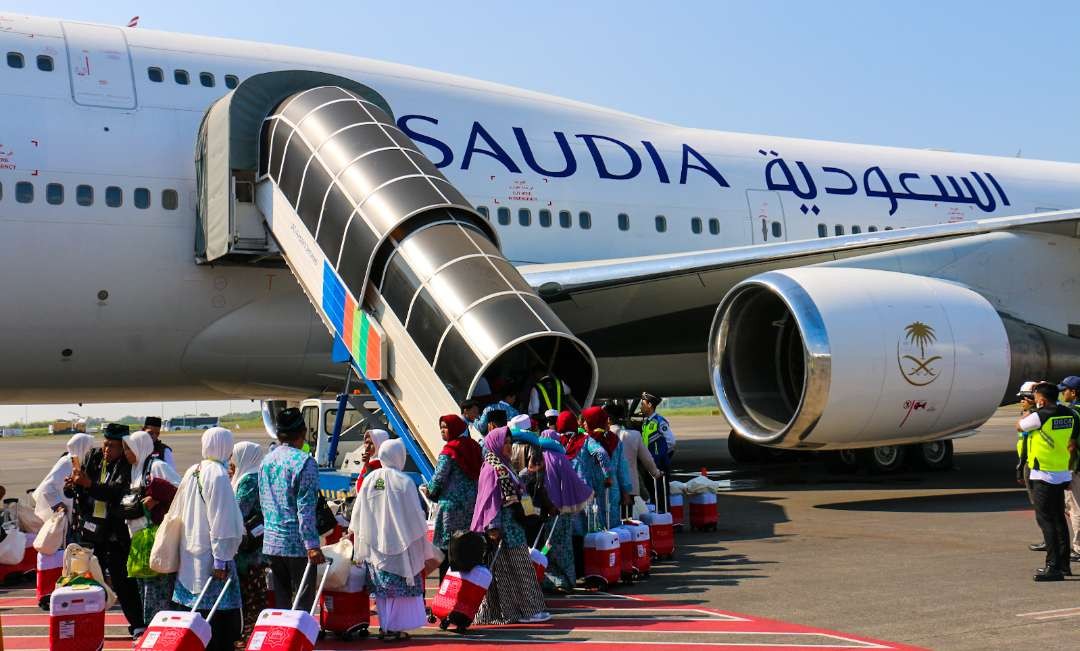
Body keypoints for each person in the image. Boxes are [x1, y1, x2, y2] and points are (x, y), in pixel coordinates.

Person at [351, 439, 437, 642]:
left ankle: (384, 626)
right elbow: (415, 515)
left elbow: (359, 511)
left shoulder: (372, 479)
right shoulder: (404, 481)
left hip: (375, 545)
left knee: (383, 591)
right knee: (398, 592)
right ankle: (394, 628)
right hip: (401, 545)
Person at [66, 423, 143, 637]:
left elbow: (116, 492)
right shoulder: (94, 457)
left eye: (113, 446)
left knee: (122, 581)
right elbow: (83, 484)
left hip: (114, 533)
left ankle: (137, 624)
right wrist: (73, 484)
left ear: (123, 447)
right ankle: (85, 626)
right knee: (85, 580)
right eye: (105, 444)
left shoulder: (127, 464)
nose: (107, 450)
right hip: (90, 530)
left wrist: (88, 484)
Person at [172, 428, 245, 651]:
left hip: (189, 554)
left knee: (193, 620)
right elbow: (222, 520)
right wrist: (221, 559)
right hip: (212, 559)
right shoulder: (218, 474)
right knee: (217, 622)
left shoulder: (193, 470)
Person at [470, 427, 550, 624]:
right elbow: (489, 501)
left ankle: (507, 612)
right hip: (504, 530)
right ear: (495, 444)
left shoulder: (503, 466)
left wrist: (529, 473)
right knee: (517, 571)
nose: (508, 446)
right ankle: (528, 611)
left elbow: (514, 487)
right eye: (505, 442)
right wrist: (494, 527)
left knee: (509, 572)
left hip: (512, 529)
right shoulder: (492, 469)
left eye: (509, 442)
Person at [259, 407, 325, 611]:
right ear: (303, 432)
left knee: (281, 601)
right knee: (303, 601)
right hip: (296, 543)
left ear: (278, 434)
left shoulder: (266, 461)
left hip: (271, 541)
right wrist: (312, 545)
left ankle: (282, 639)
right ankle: (300, 640)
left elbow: (264, 502)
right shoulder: (305, 462)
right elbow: (305, 507)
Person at [1017, 382, 1079, 581]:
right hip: (1061, 471)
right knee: (1059, 519)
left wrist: (1030, 411)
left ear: (1042, 399)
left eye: (1035, 398)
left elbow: (1020, 426)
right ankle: (1063, 565)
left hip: (1043, 474)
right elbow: (1072, 440)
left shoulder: (1040, 415)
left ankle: (1052, 566)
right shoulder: (1071, 414)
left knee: (1046, 520)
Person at [122, 431, 181, 626]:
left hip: (156, 538)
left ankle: (161, 628)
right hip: (139, 539)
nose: (126, 454)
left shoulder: (157, 467)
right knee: (145, 589)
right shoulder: (135, 470)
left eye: (128, 449)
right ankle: (152, 628)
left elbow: (179, 491)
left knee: (157, 589)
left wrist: (157, 499)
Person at [421, 415, 481, 580]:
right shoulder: (475, 447)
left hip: (450, 509)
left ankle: (446, 588)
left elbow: (439, 478)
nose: (442, 430)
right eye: (441, 427)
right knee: (466, 546)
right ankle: (466, 585)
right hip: (471, 507)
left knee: (448, 547)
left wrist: (430, 492)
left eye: (445, 427)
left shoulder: (449, 451)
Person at [538, 429, 593, 593]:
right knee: (563, 548)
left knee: (545, 548)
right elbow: (572, 482)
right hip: (561, 511)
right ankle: (565, 581)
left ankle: (547, 580)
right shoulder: (561, 458)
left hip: (543, 510)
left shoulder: (537, 457)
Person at [559, 411, 611, 577]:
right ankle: (591, 570)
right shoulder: (585, 440)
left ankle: (577, 571)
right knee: (589, 530)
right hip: (585, 493)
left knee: (572, 532)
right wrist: (607, 474)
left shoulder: (557, 442)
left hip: (566, 495)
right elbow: (601, 453)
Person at [230, 441, 266, 644]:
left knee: (250, 595)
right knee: (253, 594)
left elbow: (238, 510)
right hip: (253, 547)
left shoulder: (249, 480)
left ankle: (251, 637)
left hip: (249, 552)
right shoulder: (250, 476)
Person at [31, 433, 94, 528]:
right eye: (89, 447)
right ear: (81, 447)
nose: (90, 450)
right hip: (59, 514)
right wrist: (58, 505)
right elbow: (47, 487)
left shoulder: (76, 462)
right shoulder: (67, 462)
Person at [583, 407, 631, 529]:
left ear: (593, 421)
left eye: (586, 421)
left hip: (593, 491)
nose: (583, 424)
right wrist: (626, 492)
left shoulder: (587, 441)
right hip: (612, 491)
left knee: (595, 530)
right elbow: (622, 469)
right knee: (613, 529)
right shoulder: (615, 440)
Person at [1015, 381, 1044, 551]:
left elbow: (1026, 443)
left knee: (1040, 505)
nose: (1021, 401)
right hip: (1035, 462)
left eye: (1024, 398)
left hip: (1032, 464)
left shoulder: (1033, 418)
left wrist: (1020, 466)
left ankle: (1048, 538)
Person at [1059, 376, 1080, 563]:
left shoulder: (1073, 413)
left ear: (1073, 392)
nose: (1062, 393)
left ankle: (1079, 548)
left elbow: (1072, 445)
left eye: (1064, 390)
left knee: (1075, 507)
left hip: (1077, 466)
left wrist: (1068, 467)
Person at [640, 392, 673, 511]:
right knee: (652, 495)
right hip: (649, 465)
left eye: (642, 404)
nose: (641, 407)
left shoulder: (660, 421)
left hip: (659, 465)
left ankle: (665, 521)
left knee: (661, 495)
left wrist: (661, 456)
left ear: (649, 405)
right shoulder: (646, 423)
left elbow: (671, 442)